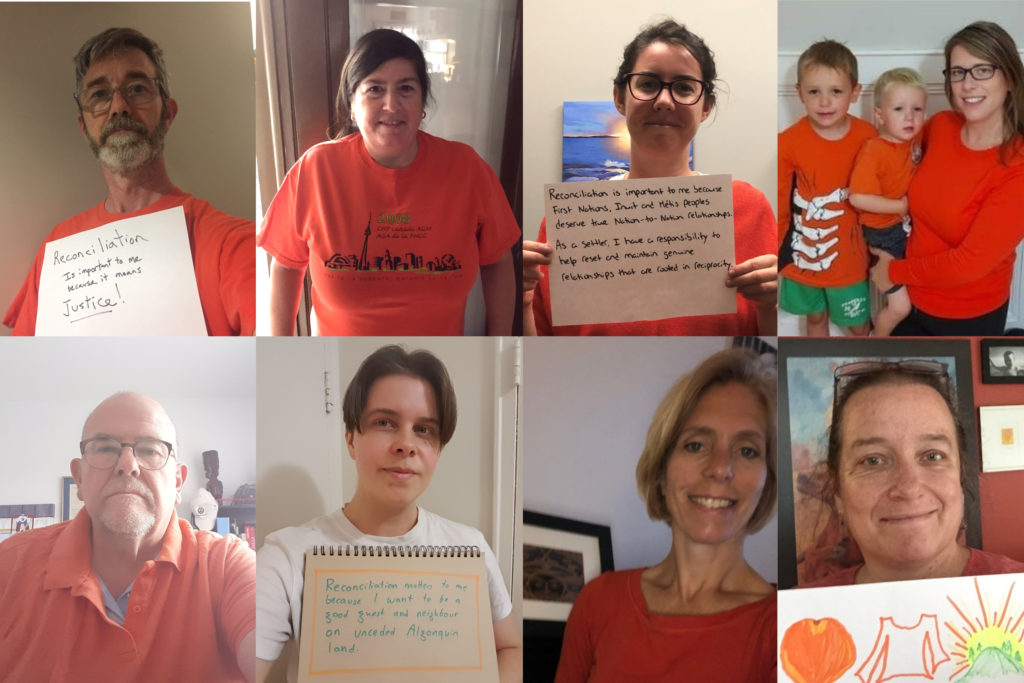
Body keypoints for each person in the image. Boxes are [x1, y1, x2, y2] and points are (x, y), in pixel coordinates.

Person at [255, 345, 522, 682]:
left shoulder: (470, 548)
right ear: (351, 438)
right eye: (385, 422)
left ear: (438, 450)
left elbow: (509, 647)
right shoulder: (288, 558)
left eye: (424, 430)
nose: (406, 444)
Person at [524, 20, 777, 336]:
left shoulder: (748, 208)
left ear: (706, 106)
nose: (664, 100)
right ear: (620, 97)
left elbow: (764, 352)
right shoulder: (568, 224)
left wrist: (774, 306)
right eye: (647, 84)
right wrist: (522, 301)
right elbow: (548, 349)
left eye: (684, 87)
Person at [258, 29, 519, 336]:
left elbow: (498, 260)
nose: (392, 105)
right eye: (375, 89)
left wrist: (501, 343)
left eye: (406, 88)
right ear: (352, 105)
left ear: (423, 102)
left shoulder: (467, 169)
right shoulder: (315, 170)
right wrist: (282, 352)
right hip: (335, 365)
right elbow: (287, 265)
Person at [3, 28, 255, 336]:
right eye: (99, 94)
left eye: (136, 89)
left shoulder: (233, 245)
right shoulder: (56, 246)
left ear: (168, 114)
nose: (119, 106)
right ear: (84, 127)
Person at [555, 348, 777, 681]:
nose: (721, 468)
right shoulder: (597, 601)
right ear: (661, 472)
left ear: (767, 481)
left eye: (747, 450)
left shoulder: (788, 626)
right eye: (695, 445)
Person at [0, 392, 256, 680]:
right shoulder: (8, 566)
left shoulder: (227, 564)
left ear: (177, 482)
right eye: (105, 448)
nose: (127, 464)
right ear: (80, 479)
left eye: (149, 450)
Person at [803, 359, 1024, 587]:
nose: (909, 488)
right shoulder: (794, 616)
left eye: (932, 456)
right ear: (838, 490)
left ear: (960, 474)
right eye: (873, 460)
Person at [870, 22, 1024, 335]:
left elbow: (969, 263)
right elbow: (889, 159)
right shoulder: (940, 126)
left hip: (965, 313)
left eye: (982, 70)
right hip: (907, 299)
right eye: (958, 72)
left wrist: (894, 271)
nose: (967, 84)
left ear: (1009, 78)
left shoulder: (1017, 168)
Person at [778, 39, 877, 337]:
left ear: (855, 92)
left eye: (836, 91)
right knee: (816, 319)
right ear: (799, 94)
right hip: (802, 261)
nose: (824, 102)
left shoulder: (868, 137)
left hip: (850, 260)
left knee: (859, 326)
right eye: (813, 92)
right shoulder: (788, 142)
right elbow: (781, 201)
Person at [848, 68, 926, 336]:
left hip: (905, 227)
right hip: (885, 233)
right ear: (879, 116)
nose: (910, 117)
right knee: (900, 306)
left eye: (917, 109)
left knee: (916, 296)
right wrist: (901, 207)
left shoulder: (912, 143)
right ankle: (876, 343)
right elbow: (857, 197)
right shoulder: (875, 150)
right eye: (899, 109)